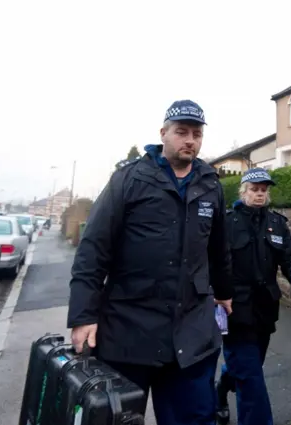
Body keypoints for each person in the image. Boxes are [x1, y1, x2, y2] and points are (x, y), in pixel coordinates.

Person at [67, 99, 233, 425]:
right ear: (163, 133)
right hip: (128, 331)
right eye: (181, 132)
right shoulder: (129, 179)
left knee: (196, 418)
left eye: (196, 134)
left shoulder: (210, 184)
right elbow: (93, 250)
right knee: (116, 418)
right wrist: (83, 315)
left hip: (191, 334)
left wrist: (225, 293)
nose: (190, 140)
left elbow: (219, 249)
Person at [215, 168, 291, 425]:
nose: (259, 194)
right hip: (233, 309)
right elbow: (213, 261)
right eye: (254, 190)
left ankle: (222, 388)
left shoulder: (277, 223)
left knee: (247, 369)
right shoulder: (227, 223)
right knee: (252, 379)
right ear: (243, 191)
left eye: (263, 190)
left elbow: (290, 258)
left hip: (265, 308)